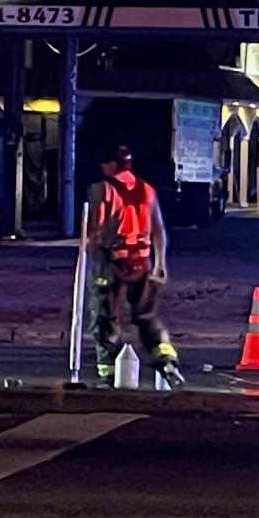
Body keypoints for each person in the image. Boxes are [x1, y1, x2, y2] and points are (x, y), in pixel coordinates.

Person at [86, 144, 184, 389]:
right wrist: (160, 263)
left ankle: (111, 375)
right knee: (146, 318)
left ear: (111, 164)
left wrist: (90, 248)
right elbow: (159, 229)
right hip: (142, 263)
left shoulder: (102, 189)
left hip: (112, 264)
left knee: (105, 320)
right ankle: (167, 361)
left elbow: (98, 230)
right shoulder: (147, 190)